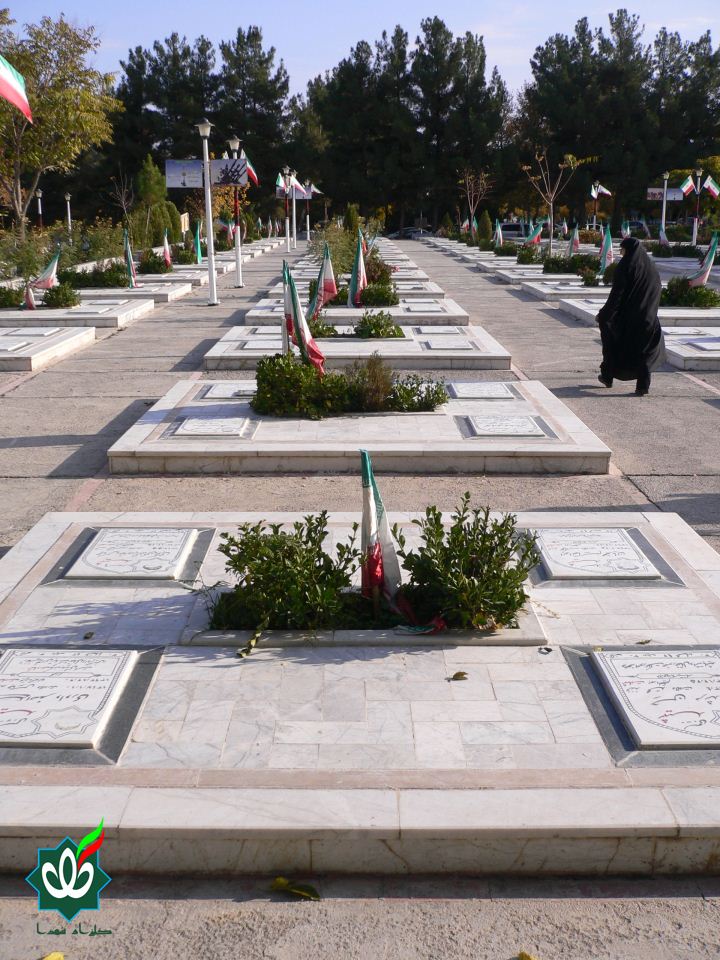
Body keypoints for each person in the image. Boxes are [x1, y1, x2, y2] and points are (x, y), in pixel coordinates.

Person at [596, 237, 666, 396]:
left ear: (629, 250)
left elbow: (617, 294)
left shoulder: (626, 266)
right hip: (647, 318)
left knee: (613, 345)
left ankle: (607, 376)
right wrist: (651, 312)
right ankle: (643, 386)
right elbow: (656, 291)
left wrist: (606, 314)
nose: (621, 252)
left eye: (622, 249)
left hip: (627, 319)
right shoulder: (651, 269)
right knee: (644, 352)